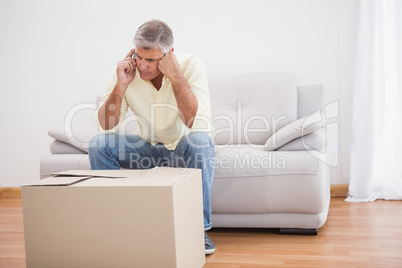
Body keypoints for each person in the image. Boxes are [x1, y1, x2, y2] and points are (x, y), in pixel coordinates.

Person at [88, 19, 216, 255]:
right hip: (145, 149)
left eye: (151, 60)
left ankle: (199, 231)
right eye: (139, 57)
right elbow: (106, 126)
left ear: (168, 55)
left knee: (200, 142)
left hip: (181, 149)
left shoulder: (190, 65)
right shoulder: (127, 71)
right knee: (99, 144)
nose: (143, 66)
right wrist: (121, 85)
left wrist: (176, 76)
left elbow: (195, 123)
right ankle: (116, 226)